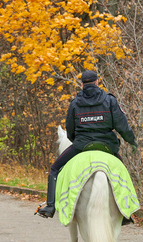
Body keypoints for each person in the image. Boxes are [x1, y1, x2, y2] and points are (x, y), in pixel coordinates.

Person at [38, 70, 137, 218]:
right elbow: (122, 126)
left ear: (82, 84)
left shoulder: (75, 103)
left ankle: (50, 207)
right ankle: (125, 212)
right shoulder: (110, 101)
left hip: (81, 146)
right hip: (107, 146)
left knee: (54, 169)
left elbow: (70, 131)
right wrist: (132, 141)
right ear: (97, 82)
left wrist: (78, 140)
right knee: (122, 171)